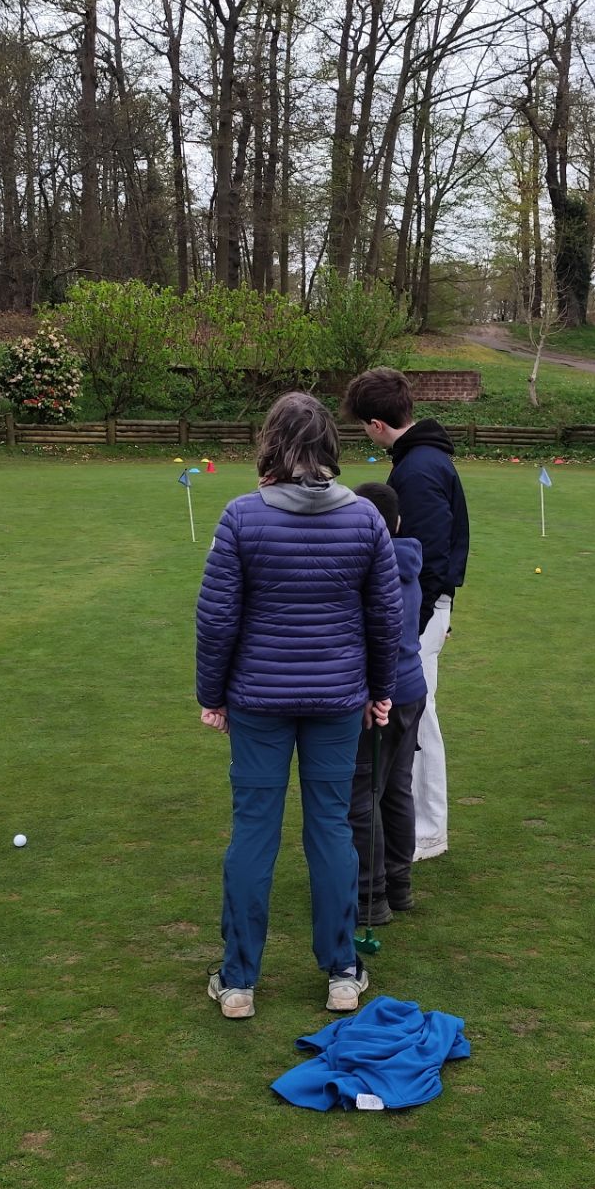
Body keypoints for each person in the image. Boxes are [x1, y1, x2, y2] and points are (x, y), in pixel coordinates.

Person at [196, 392, 401, 1020]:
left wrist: (212, 694)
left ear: (271, 444)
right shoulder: (364, 519)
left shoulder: (242, 516)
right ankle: (339, 973)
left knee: (256, 831)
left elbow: (216, 620)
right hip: (330, 698)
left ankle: (240, 981)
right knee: (330, 829)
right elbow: (385, 617)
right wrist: (380, 688)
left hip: (267, 699)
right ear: (329, 447)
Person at [342, 368, 470, 860]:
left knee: (418, 716)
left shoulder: (417, 470)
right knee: (413, 714)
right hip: (425, 609)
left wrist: (415, 624)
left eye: (363, 426)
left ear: (377, 424)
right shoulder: (422, 460)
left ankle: (428, 830)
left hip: (417, 614)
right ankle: (413, 828)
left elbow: (431, 555)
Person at [347, 481, 429, 923]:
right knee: (395, 788)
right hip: (410, 690)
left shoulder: (369, 571)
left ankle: (371, 895)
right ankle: (398, 885)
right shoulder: (407, 562)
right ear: (396, 523)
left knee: (363, 794)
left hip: (382, 696)